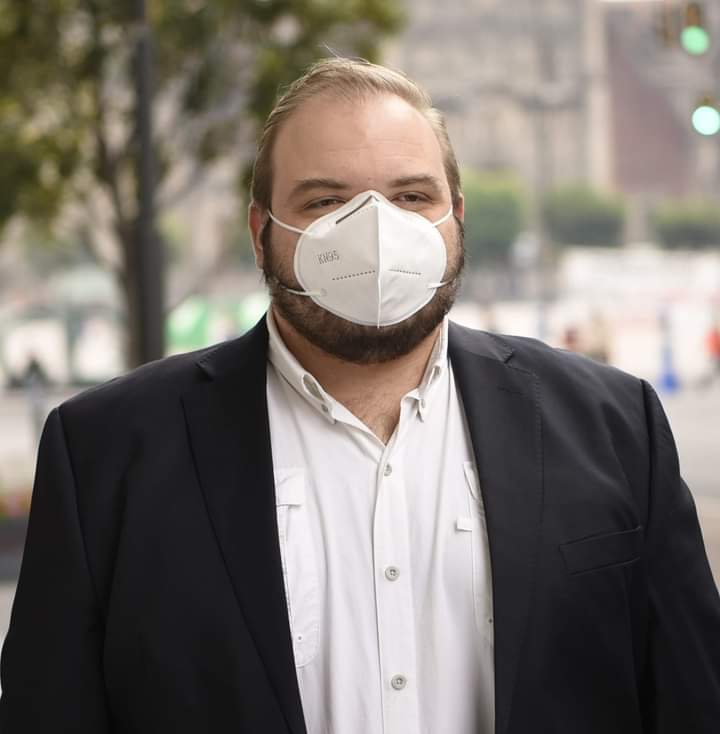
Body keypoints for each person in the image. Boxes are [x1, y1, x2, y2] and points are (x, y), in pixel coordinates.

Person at [2, 58, 719, 734]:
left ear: (455, 218)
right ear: (261, 231)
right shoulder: (108, 454)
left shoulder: (612, 428)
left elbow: (692, 700)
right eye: (326, 201)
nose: (375, 231)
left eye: (411, 197)